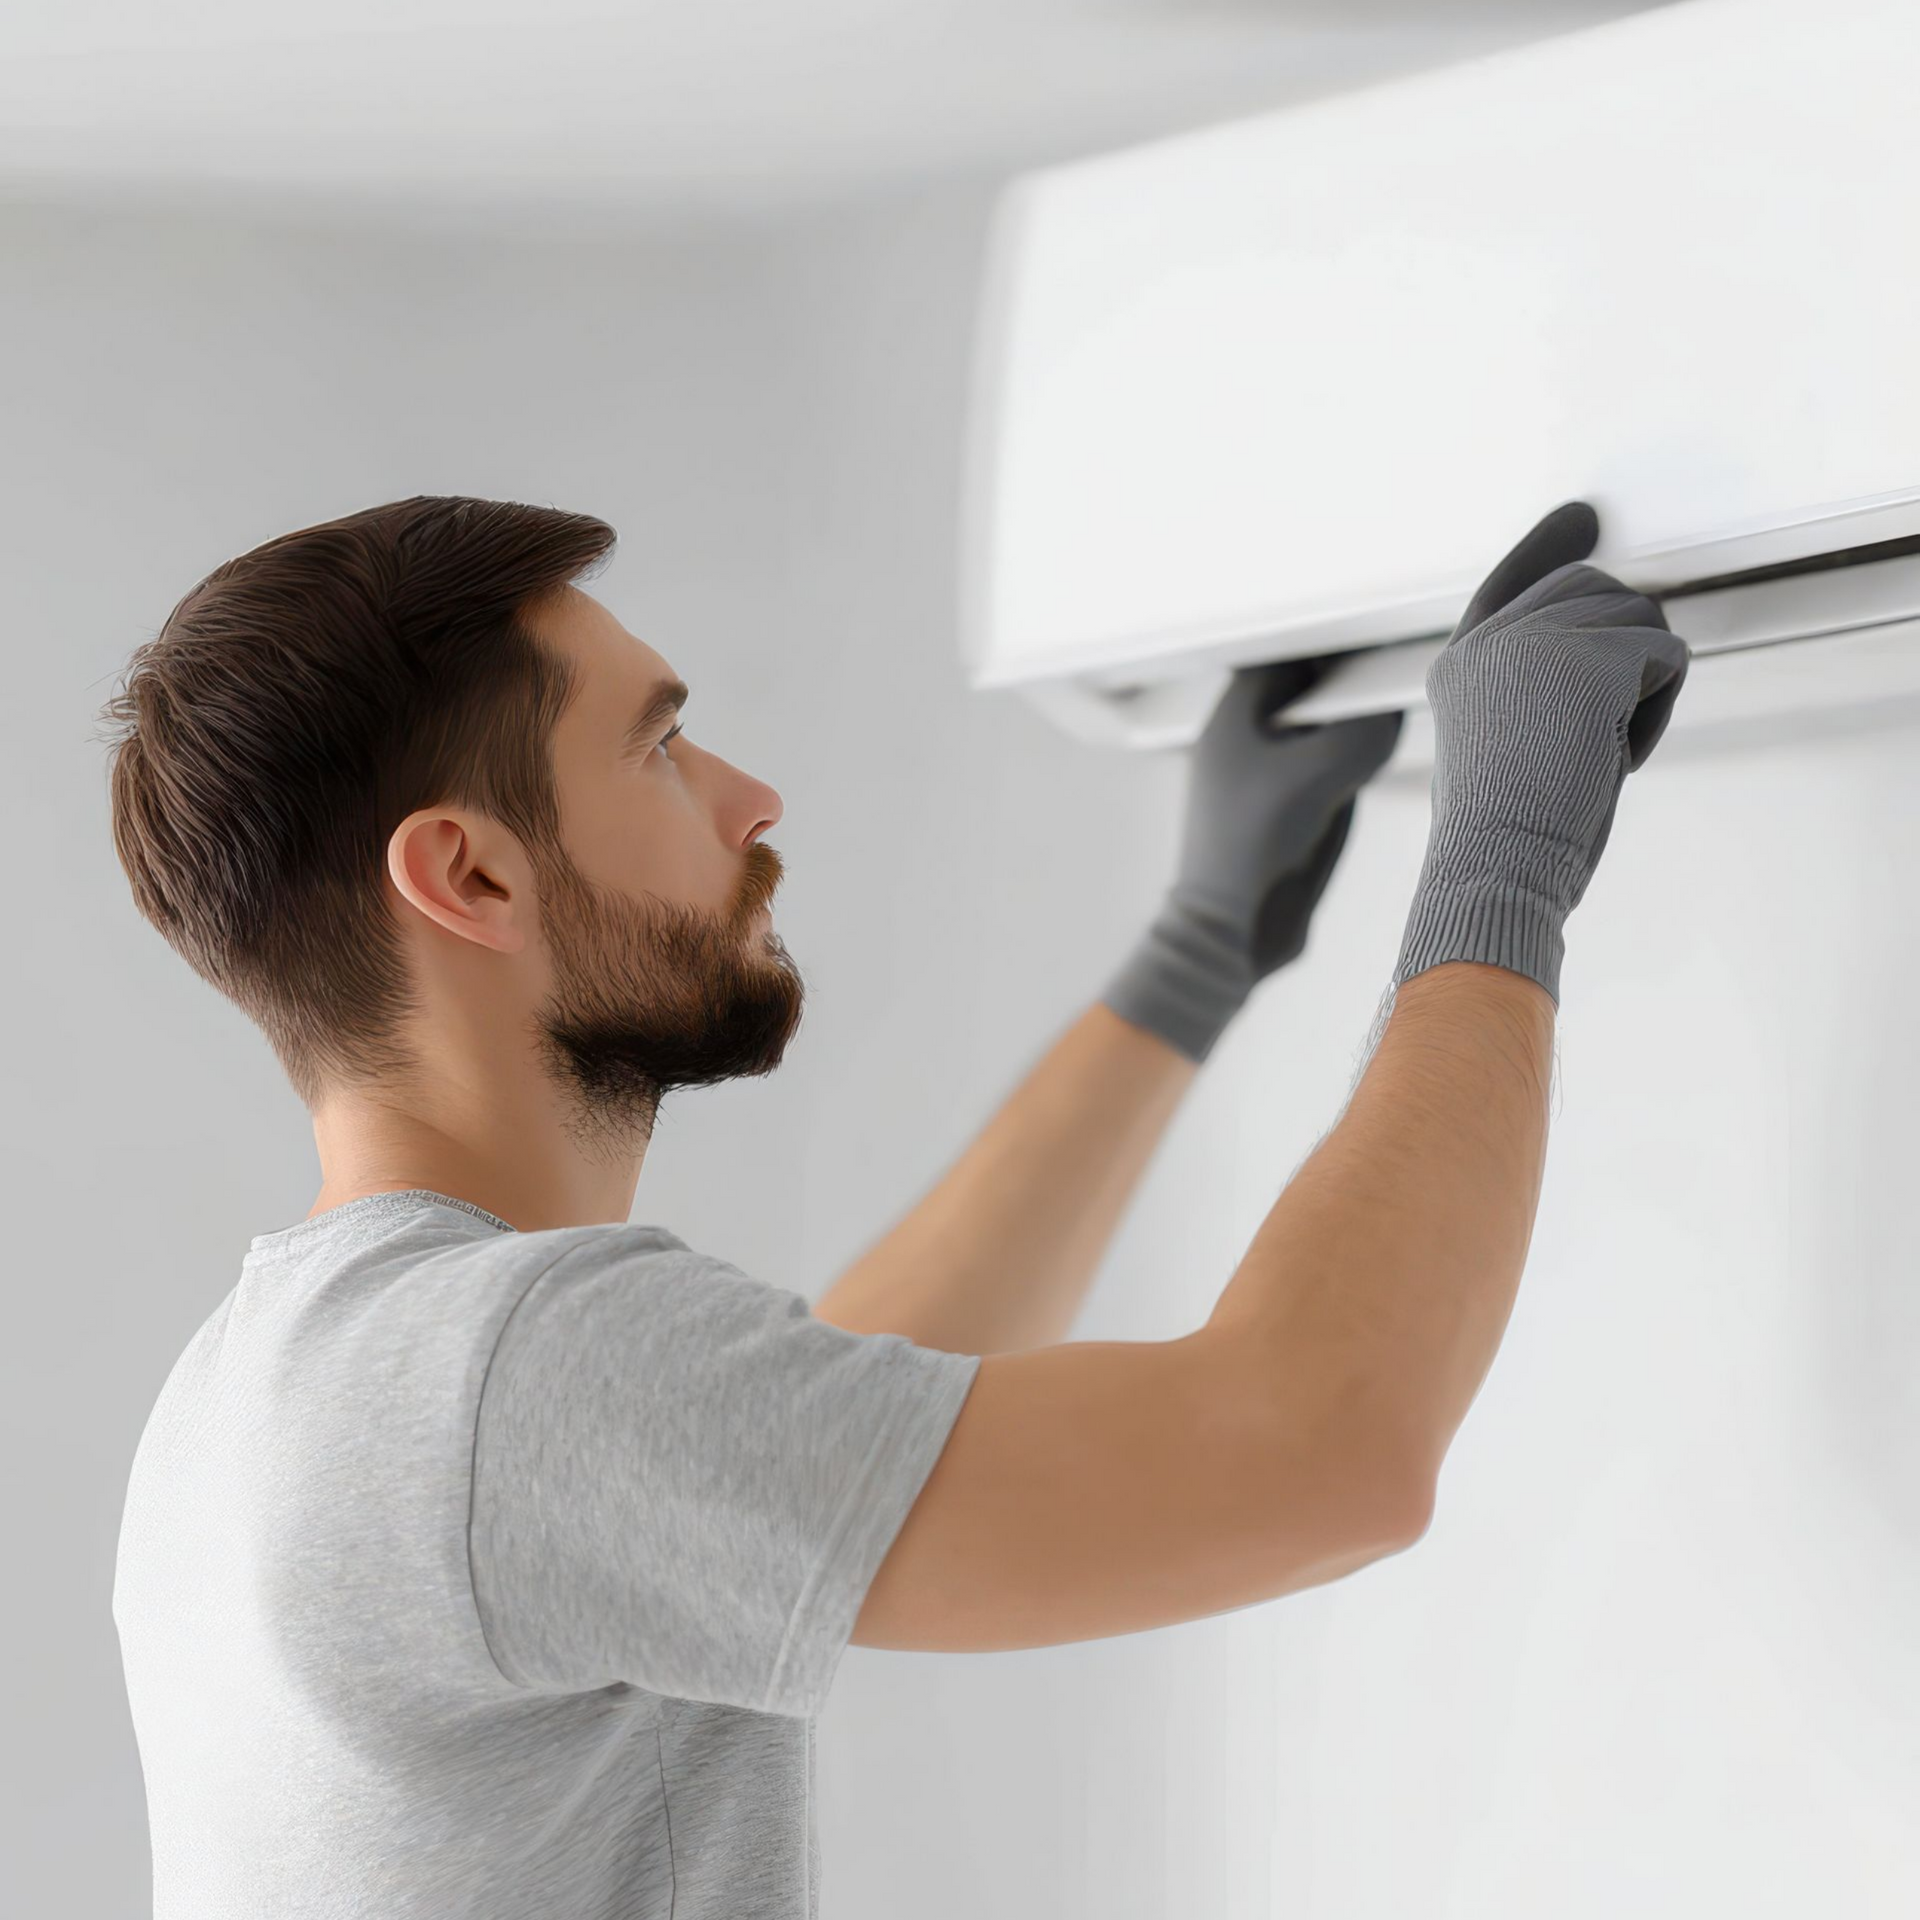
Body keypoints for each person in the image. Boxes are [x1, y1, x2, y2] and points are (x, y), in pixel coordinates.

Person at [104, 494, 1685, 1918]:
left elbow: (832, 1422)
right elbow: (1320, 1448)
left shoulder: (270, 1384)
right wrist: (1503, 867)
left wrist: (1200, 950)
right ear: (471, 878)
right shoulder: (493, 1378)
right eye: (659, 745)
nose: (750, 797)